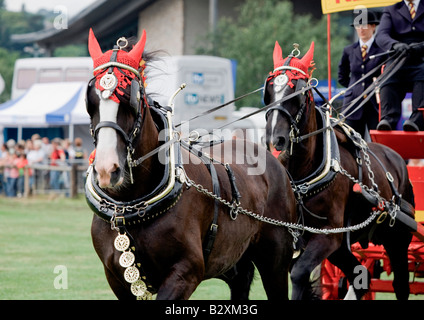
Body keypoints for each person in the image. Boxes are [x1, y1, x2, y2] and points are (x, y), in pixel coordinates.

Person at [375, 0, 424, 131]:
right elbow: (381, 35)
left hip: (422, 57)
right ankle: (388, 118)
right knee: (388, 74)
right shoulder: (391, 9)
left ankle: (417, 119)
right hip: (399, 56)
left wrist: (421, 46)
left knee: (423, 73)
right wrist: (394, 45)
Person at [338, 10, 384, 138]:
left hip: (374, 104)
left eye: (364, 25)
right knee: (349, 139)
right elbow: (342, 76)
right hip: (353, 103)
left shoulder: (382, 50)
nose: (361, 29)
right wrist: (354, 88)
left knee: (377, 140)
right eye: (358, 26)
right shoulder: (348, 51)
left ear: (373, 26)